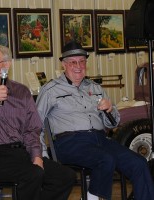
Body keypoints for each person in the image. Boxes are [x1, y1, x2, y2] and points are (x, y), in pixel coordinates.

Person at [36, 41, 154, 200]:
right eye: (73, 62)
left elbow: (112, 124)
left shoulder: (95, 88)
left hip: (100, 140)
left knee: (139, 163)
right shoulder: (50, 90)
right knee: (105, 159)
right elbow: (35, 125)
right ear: (64, 65)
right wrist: (42, 156)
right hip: (69, 143)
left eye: (82, 61)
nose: (78, 66)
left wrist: (110, 110)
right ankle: (91, 198)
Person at [0, 44, 76, 200]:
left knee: (65, 176)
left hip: (20, 153)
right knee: (32, 175)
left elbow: (32, 129)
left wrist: (36, 156)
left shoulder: (21, 91)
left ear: (6, 65)